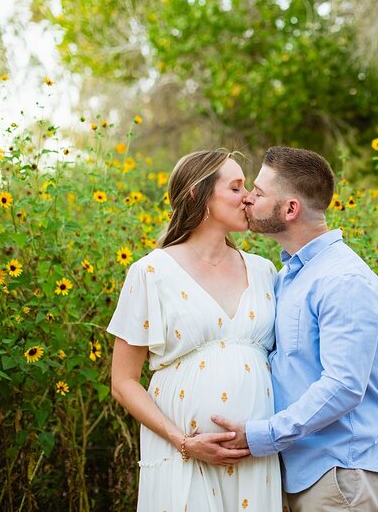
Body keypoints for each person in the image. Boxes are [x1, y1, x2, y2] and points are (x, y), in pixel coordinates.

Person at [211, 146, 378, 511]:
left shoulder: (344, 279)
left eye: (260, 193)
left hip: (342, 472)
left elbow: (343, 386)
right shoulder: (287, 277)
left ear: (291, 209)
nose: (248, 198)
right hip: (301, 473)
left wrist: (263, 435)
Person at [108, 149, 282, 511]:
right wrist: (184, 442)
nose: (248, 196)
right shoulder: (151, 273)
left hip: (255, 461)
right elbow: (123, 382)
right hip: (183, 456)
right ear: (196, 195)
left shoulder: (265, 271)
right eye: (236, 187)